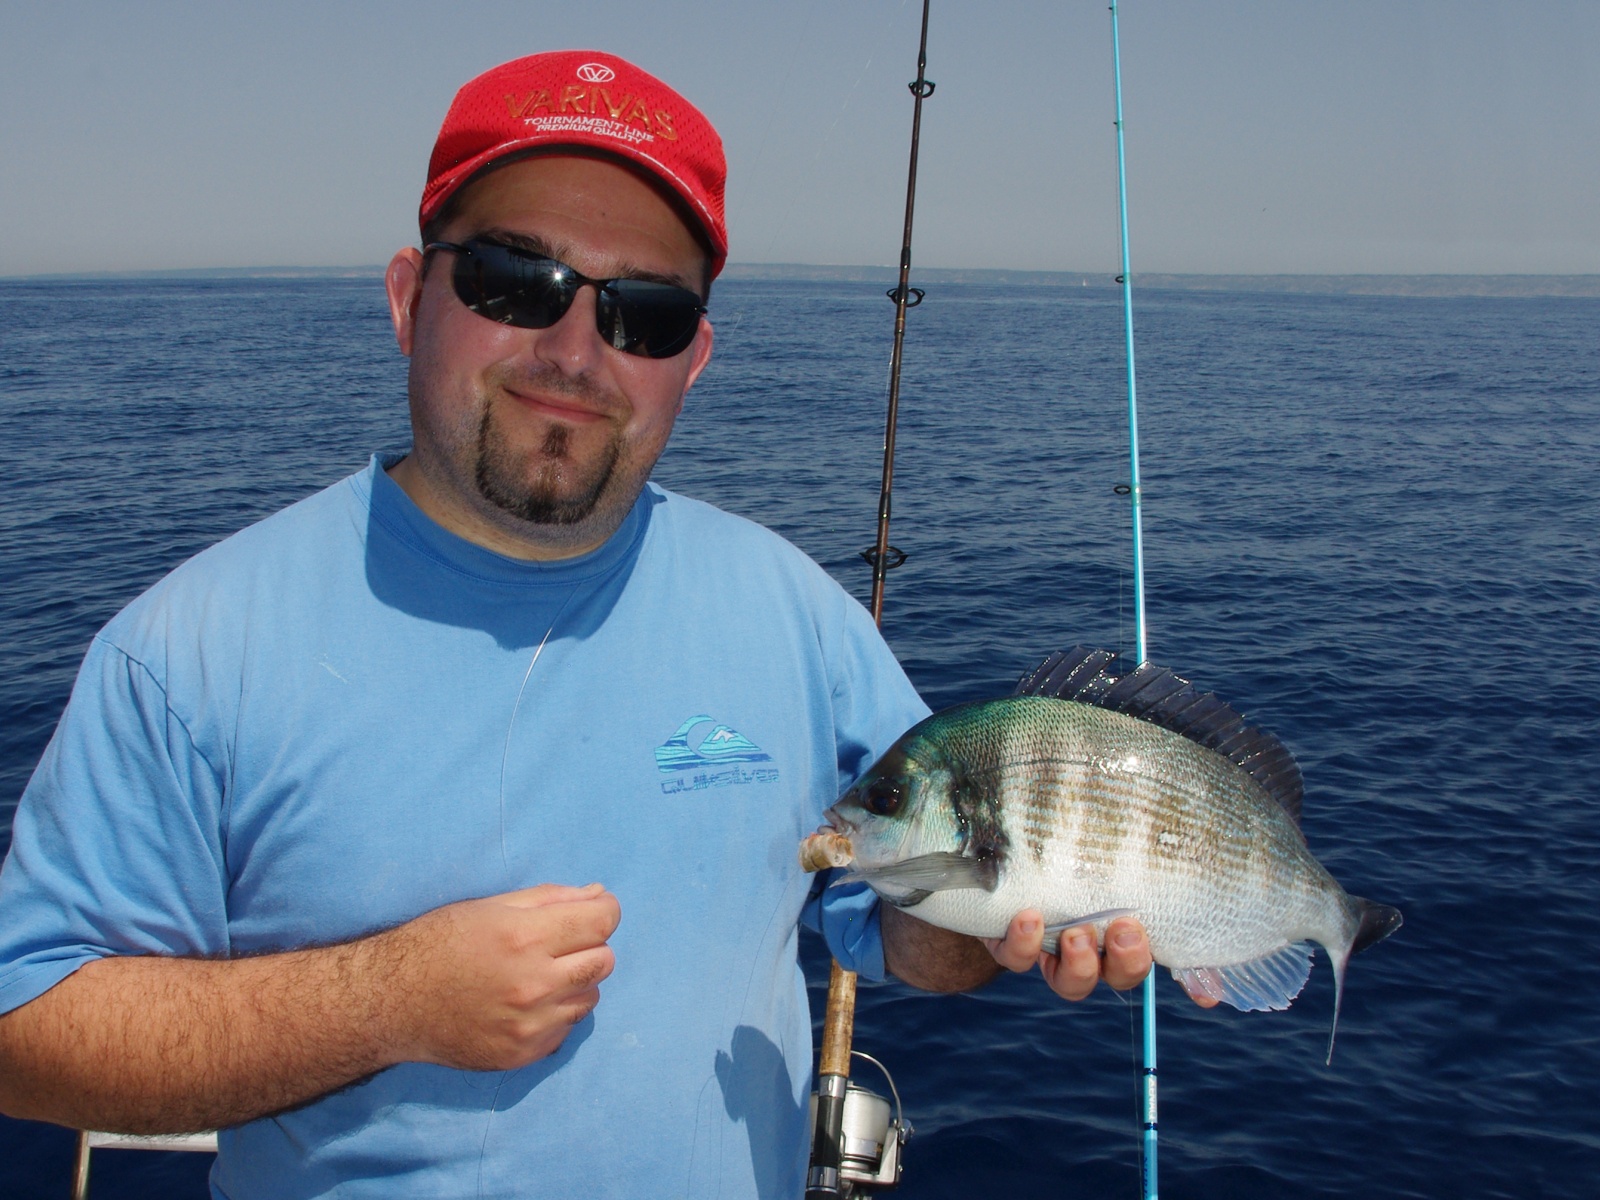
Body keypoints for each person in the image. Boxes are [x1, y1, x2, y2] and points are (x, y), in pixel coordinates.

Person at [0, 51, 1168, 1198]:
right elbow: (26, 1031)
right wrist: (384, 1001)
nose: (573, 351)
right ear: (410, 298)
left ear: (693, 361)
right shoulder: (189, 652)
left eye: (643, 313)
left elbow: (906, 925)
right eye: (517, 281)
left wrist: (1018, 917)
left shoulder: (796, 615)